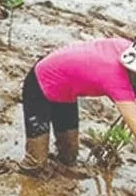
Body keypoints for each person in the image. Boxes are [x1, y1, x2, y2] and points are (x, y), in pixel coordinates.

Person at [18, 38, 136, 174]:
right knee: (35, 164)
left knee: (69, 155)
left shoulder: (125, 46)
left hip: (65, 91)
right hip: (40, 82)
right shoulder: (116, 80)